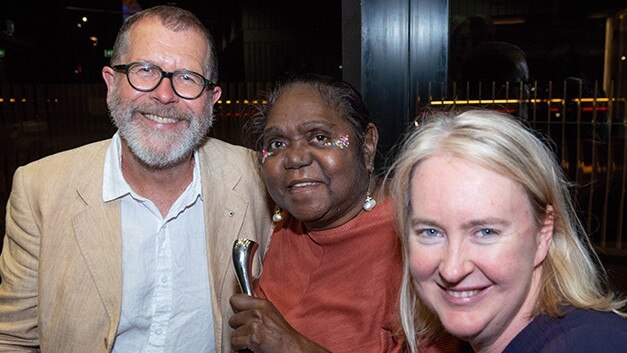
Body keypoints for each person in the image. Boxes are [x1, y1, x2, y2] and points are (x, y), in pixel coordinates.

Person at [0, 5, 272, 353]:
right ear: (111, 83)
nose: (164, 94)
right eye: (145, 70)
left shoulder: (259, 179)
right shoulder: (40, 189)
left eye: (188, 77)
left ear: (211, 99)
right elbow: (14, 340)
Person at [228, 74, 464, 353]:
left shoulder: (416, 244)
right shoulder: (281, 225)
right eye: (277, 143)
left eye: (319, 137)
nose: (295, 158)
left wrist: (292, 346)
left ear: (367, 144)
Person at [388, 109, 627, 353]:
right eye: (431, 232)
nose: (452, 269)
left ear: (543, 233)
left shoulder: (590, 344)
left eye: (486, 232)